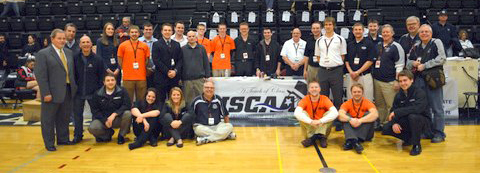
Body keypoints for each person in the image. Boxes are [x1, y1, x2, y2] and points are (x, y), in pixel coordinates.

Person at [35, 29, 78, 151]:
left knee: (63, 117)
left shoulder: (68, 52)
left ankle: (63, 139)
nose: (62, 41)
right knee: (48, 119)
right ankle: (49, 143)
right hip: (51, 92)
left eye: (64, 38)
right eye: (59, 38)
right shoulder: (43, 53)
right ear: (52, 39)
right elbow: (41, 75)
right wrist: (45, 93)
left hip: (68, 90)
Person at [406, 24, 446, 143]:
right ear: (419, 34)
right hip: (419, 80)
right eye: (422, 32)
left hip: (433, 79)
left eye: (426, 32)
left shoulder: (436, 42)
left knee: (437, 108)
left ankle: (439, 133)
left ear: (431, 33)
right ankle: (428, 131)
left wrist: (425, 65)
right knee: (424, 107)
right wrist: (413, 63)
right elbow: (408, 61)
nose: (424, 34)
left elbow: (442, 58)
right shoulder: (416, 45)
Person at [382, 70, 429, 156]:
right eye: (400, 81)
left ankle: (416, 145)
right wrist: (394, 123)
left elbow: (417, 109)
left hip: (422, 122)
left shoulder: (419, 92)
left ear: (411, 80)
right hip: (406, 120)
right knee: (386, 128)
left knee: (413, 117)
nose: (403, 83)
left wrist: (397, 112)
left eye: (405, 80)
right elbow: (394, 109)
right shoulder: (399, 95)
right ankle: (408, 138)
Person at [72, 35, 104, 143]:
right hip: (78, 92)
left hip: (93, 93)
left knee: (95, 115)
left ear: (91, 44)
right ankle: (78, 135)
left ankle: (97, 134)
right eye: (83, 42)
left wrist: (98, 91)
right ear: (80, 45)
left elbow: (101, 77)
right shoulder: (74, 58)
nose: (86, 44)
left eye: (87, 42)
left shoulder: (98, 59)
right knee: (77, 116)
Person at [372, 24, 404, 131]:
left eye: (388, 32)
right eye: (384, 32)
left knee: (390, 105)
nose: (385, 34)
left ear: (392, 33)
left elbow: (399, 64)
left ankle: (391, 125)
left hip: (390, 81)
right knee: (380, 105)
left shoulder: (396, 46)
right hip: (377, 80)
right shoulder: (378, 45)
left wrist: (397, 80)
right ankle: (382, 123)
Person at [315, 17, 347, 113]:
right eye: (326, 25)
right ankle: (325, 120)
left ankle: (338, 121)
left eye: (330, 24)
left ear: (334, 26)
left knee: (338, 97)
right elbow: (318, 56)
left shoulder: (340, 39)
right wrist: (325, 64)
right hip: (323, 71)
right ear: (323, 27)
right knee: (323, 97)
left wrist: (333, 64)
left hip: (336, 71)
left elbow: (342, 56)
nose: (328, 26)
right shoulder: (319, 40)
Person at [89, 74, 132, 144]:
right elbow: (95, 111)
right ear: (104, 82)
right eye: (108, 80)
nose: (110, 82)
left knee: (128, 114)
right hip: (103, 120)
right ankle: (107, 134)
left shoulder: (122, 91)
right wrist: (104, 120)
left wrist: (115, 114)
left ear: (115, 81)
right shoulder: (97, 94)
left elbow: (127, 105)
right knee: (93, 128)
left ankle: (121, 136)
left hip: (117, 119)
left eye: (112, 80)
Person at [294, 80, 338, 148]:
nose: (314, 89)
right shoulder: (305, 99)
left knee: (330, 113)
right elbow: (296, 113)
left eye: (316, 87)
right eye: (312, 87)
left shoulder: (325, 99)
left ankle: (313, 138)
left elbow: (335, 113)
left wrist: (320, 121)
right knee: (302, 113)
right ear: (308, 89)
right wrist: (311, 122)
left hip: (322, 126)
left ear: (319, 89)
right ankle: (318, 136)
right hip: (309, 128)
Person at [192, 80, 236, 145]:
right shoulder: (197, 100)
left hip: (217, 126)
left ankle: (206, 139)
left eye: (211, 88)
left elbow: (225, 115)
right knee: (198, 130)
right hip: (202, 127)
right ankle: (224, 136)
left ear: (214, 89)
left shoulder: (218, 99)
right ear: (203, 88)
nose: (209, 89)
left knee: (229, 126)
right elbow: (190, 115)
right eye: (207, 87)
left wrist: (227, 128)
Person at [338, 83, 378, 154]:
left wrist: (360, 121)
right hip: (353, 129)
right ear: (351, 93)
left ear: (362, 93)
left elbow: (375, 114)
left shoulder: (367, 102)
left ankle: (351, 141)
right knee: (345, 117)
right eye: (355, 92)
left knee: (368, 114)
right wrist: (350, 119)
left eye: (359, 92)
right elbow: (340, 115)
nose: (357, 94)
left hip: (366, 134)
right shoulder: (347, 103)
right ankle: (355, 142)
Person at [118, 25, 150, 103]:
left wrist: (141, 68)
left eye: (136, 32)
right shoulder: (122, 45)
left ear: (139, 33)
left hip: (141, 77)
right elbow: (120, 60)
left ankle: (140, 114)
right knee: (128, 100)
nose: (134, 34)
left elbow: (147, 60)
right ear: (129, 33)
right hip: (128, 77)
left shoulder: (144, 46)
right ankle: (129, 115)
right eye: (132, 32)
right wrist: (126, 69)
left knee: (141, 100)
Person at [152, 23, 183, 103]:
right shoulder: (156, 44)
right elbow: (156, 60)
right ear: (162, 31)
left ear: (172, 32)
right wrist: (167, 72)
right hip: (161, 77)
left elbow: (180, 60)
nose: (167, 32)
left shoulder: (176, 44)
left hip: (174, 78)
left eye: (169, 30)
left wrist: (175, 71)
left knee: (174, 100)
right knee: (160, 100)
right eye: (165, 30)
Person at [345, 23, 375, 101]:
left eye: (359, 29)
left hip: (364, 76)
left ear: (363, 31)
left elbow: (370, 61)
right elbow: (346, 61)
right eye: (356, 30)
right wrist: (351, 72)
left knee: (367, 99)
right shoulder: (349, 44)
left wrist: (357, 72)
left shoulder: (369, 43)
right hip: (351, 76)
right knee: (351, 99)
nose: (358, 31)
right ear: (353, 31)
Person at [182, 31, 210, 104]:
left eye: (193, 36)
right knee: (188, 100)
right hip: (187, 80)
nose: (191, 38)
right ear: (187, 38)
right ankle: (189, 114)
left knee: (201, 99)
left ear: (196, 38)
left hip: (200, 79)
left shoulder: (202, 48)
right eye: (189, 36)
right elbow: (180, 64)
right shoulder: (182, 49)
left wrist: (207, 76)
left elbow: (206, 62)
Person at [138, 22, 158, 88]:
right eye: (146, 29)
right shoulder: (138, 41)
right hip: (141, 71)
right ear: (143, 31)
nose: (148, 31)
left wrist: (153, 68)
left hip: (155, 70)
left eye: (150, 29)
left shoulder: (157, 42)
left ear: (152, 31)